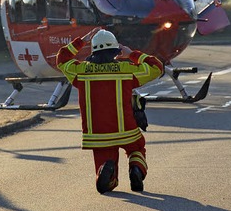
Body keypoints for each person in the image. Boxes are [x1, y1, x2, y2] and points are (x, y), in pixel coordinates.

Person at [56, 27, 164, 194]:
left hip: (97, 134)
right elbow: (157, 67)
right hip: (126, 130)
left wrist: (82, 40)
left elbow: (62, 59)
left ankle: (106, 172)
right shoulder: (127, 70)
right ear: (115, 51)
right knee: (137, 147)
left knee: (105, 165)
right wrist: (131, 54)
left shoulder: (80, 71)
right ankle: (136, 168)